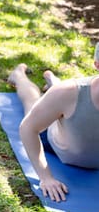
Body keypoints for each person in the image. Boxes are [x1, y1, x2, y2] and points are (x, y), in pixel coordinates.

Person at [8, 52, 99, 203]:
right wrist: (46, 178)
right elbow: (27, 128)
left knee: (62, 97)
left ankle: (52, 82)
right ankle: (18, 76)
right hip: (53, 139)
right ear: (97, 65)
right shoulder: (69, 92)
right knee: (33, 102)